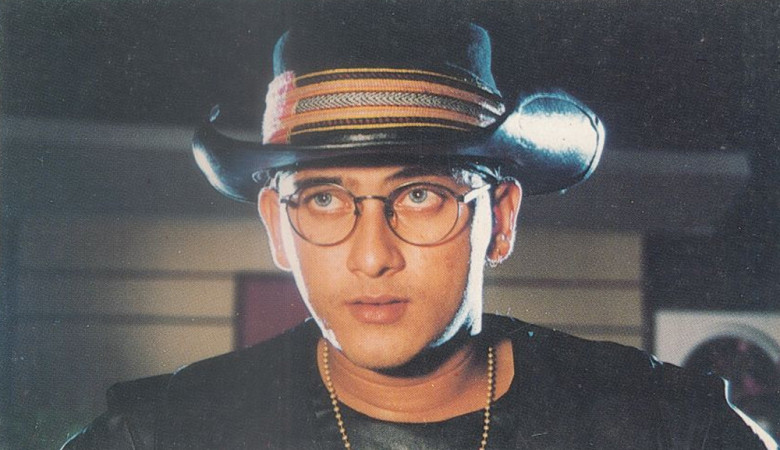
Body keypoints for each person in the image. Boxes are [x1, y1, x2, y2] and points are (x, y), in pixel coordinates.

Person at [63, 10, 775, 450]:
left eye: (421, 194)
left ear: (500, 219)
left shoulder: (672, 430)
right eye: (324, 199)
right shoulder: (157, 436)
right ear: (278, 228)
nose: (373, 256)